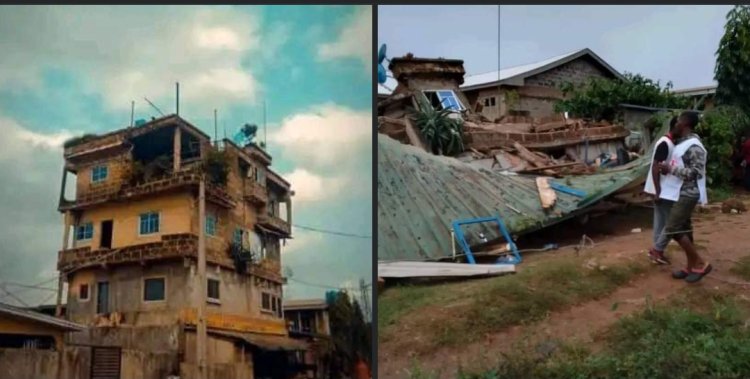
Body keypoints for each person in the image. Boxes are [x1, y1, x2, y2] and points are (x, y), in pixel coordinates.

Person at [657, 111, 711, 283]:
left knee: (673, 228)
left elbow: (695, 173)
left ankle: (701, 263)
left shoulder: (695, 146)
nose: (676, 124)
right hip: (679, 191)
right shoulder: (683, 143)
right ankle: (690, 267)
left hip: (689, 192)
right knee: (685, 230)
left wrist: (670, 169)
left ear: (685, 124)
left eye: (678, 121)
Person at [643, 116, 677, 265]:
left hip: (660, 189)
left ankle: (657, 252)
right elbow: (656, 167)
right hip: (661, 190)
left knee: (660, 222)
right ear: (675, 127)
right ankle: (657, 250)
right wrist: (658, 192)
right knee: (670, 223)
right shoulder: (665, 143)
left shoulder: (666, 142)